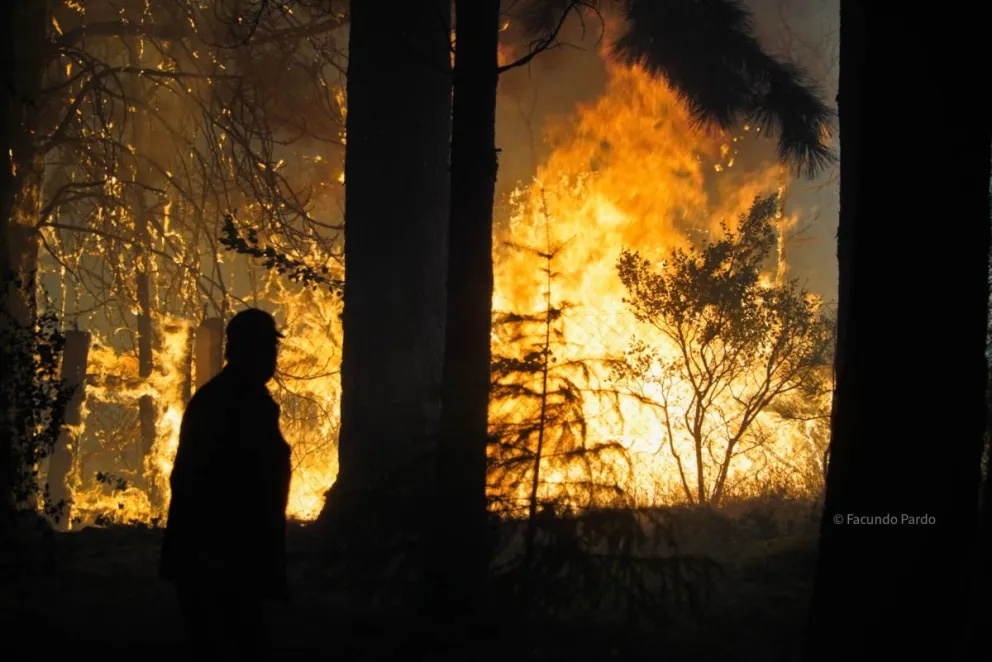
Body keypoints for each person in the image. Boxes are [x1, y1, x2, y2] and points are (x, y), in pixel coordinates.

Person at [160, 308, 292, 653]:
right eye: (262, 348)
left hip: (222, 556)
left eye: (271, 349)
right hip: (218, 557)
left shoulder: (234, 399)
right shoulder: (231, 404)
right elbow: (213, 485)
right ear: (236, 352)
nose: (270, 358)